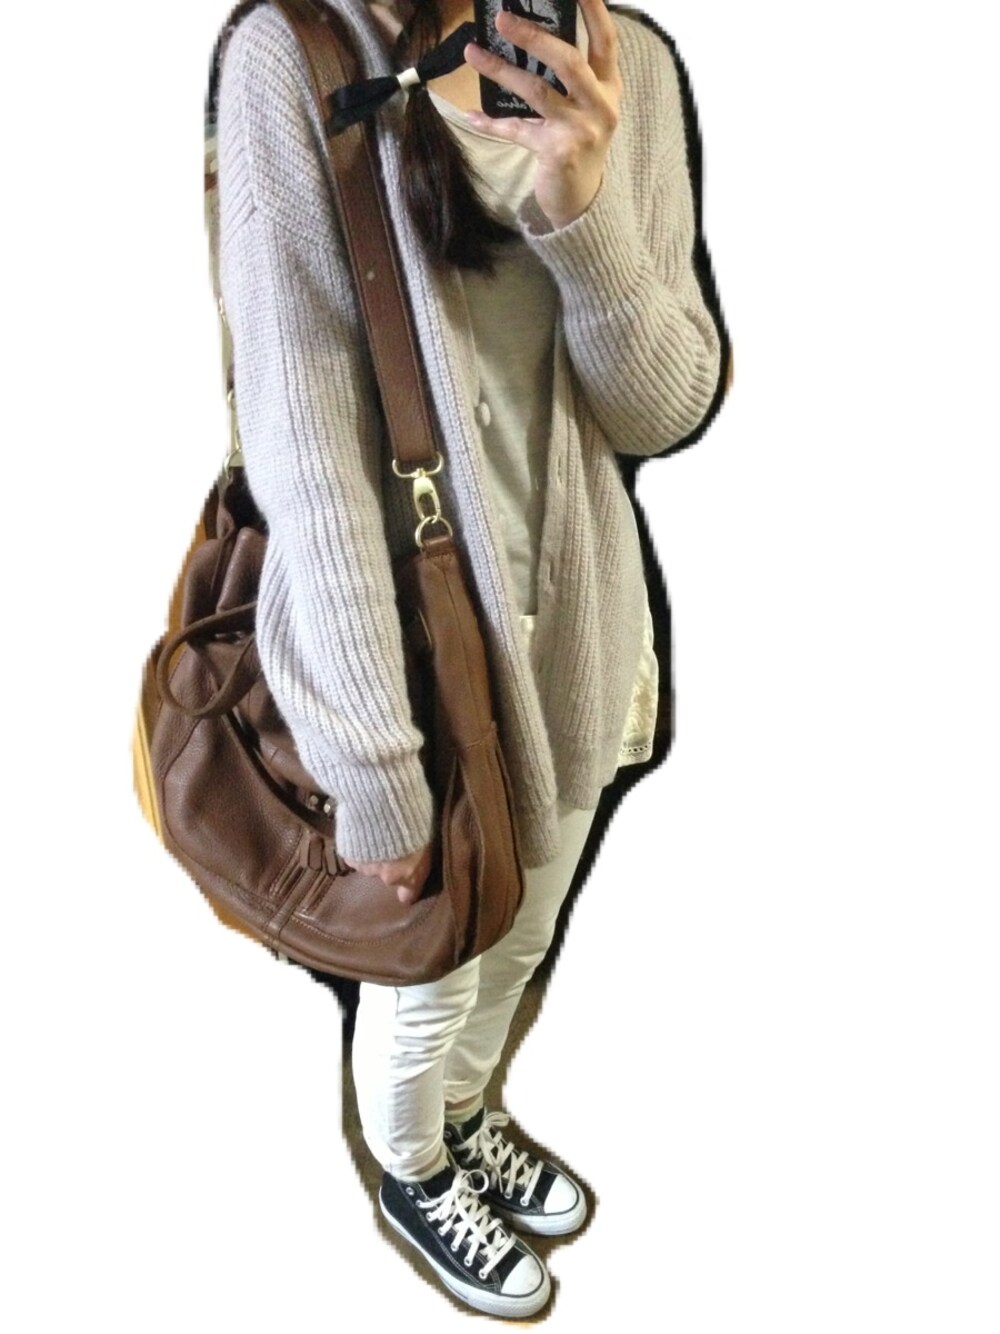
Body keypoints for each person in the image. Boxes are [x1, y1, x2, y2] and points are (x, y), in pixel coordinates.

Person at [215, 0, 726, 1316]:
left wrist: (582, 204)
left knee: (524, 935)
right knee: (433, 968)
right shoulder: (305, 54)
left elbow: (660, 407)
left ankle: (466, 1113)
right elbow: (303, 436)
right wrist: (372, 760)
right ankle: (411, 1166)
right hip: (414, 661)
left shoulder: (630, 71)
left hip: (584, 625)